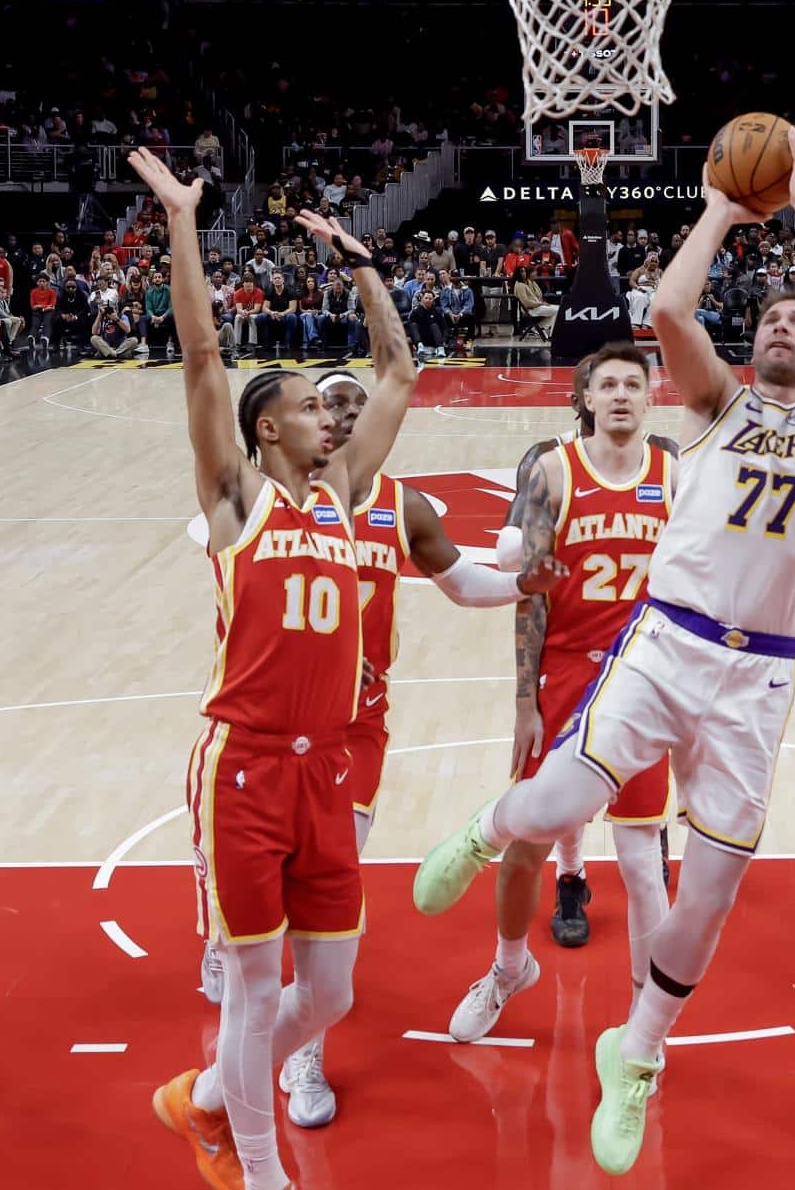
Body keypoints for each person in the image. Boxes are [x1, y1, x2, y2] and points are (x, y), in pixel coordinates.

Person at [412, 106, 795, 1176]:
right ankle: (488, 829)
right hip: (665, 641)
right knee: (562, 797)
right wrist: (719, 206)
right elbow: (668, 306)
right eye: (768, 320)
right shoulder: (713, 408)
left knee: (705, 898)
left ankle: (639, 1053)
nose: (781, 329)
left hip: (757, 678)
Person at [130, 147, 422, 1190]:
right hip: (245, 768)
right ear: (269, 427)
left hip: (328, 772)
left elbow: (398, 374)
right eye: (308, 407)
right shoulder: (236, 501)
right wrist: (180, 221)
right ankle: (255, 1167)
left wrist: (360, 264)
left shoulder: (344, 495)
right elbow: (203, 355)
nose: (328, 418)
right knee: (255, 994)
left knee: (330, 994)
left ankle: (199, 1096)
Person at [198, 367, 568, 1127]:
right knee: (262, 912)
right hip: (270, 724)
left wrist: (527, 583)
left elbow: (465, 582)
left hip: (354, 724)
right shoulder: (275, 503)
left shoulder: (401, 504)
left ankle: (296, 1050)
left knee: (331, 875)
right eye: (327, 404)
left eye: (353, 408)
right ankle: (255, 1001)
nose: (340, 418)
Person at [444, 344, 681, 1047]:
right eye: (604, 383)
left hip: (645, 679)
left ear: (650, 397)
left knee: (643, 863)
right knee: (526, 844)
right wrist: (526, 700)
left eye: (631, 385)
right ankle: (506, 968)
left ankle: (645, 1025)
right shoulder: (552, 472)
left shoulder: (677, 473)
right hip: (568, 672)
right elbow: (530, 596)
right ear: (584, 396)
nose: (618, 395)